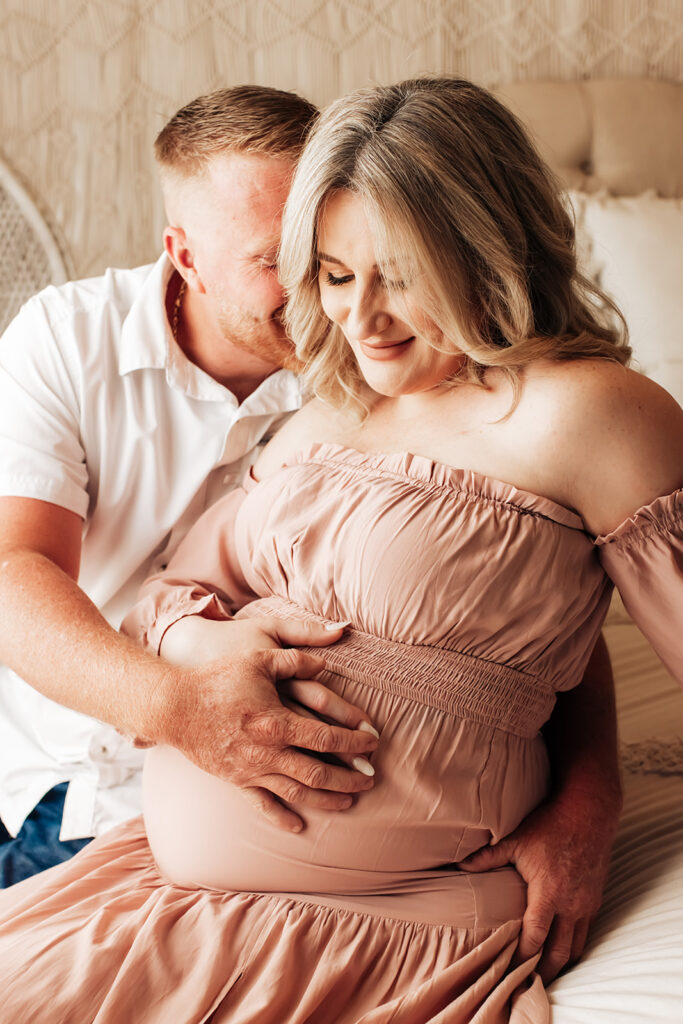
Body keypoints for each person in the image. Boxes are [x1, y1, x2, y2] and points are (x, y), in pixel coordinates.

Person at [0, 76, 680, 1023]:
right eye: (323, 268)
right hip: (99, 816)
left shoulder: (569, 411)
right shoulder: (315, 393)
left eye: (395, 270)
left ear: (479, 245)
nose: (357, 316)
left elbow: (546, 626)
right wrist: (189, 674)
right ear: (184, 258)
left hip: (384, 916)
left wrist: (588, 800)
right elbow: (57, 580)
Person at [0, 84, 382, 886]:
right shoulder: (65, 338)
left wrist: (581, 804)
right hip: (57, 774)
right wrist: (183, 714)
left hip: (274, 797)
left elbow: (534, 540)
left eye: (327, 247)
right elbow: (12, 574)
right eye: (276, 260)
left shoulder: (380, 348)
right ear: (184, 257)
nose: (320, 287)